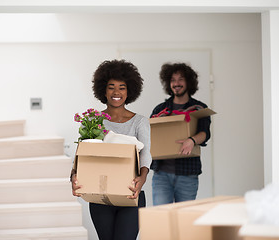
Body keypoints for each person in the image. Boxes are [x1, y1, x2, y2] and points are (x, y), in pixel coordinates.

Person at [70, 59, 152, 240]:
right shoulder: (94, 120)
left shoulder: (140, 122)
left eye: (122, 87)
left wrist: (142, 178)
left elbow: (145, 154)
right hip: (101, 198)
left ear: (129, 90)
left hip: (131, 195)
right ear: (103, 91)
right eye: (111, 87)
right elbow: (83, 154)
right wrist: (74, 175)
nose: (116, 92)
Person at [150, 62, 211, 206]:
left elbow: (205, 133)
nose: (176, 83)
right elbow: (150, 133)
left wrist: (192, 140)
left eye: (180, 79)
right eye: (172, 80)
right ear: (168, 84)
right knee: (161, 217)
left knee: (184, 217)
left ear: (189, 82)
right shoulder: (160, 109)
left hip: (188, 174)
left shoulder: (199, 108)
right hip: (161, 175)